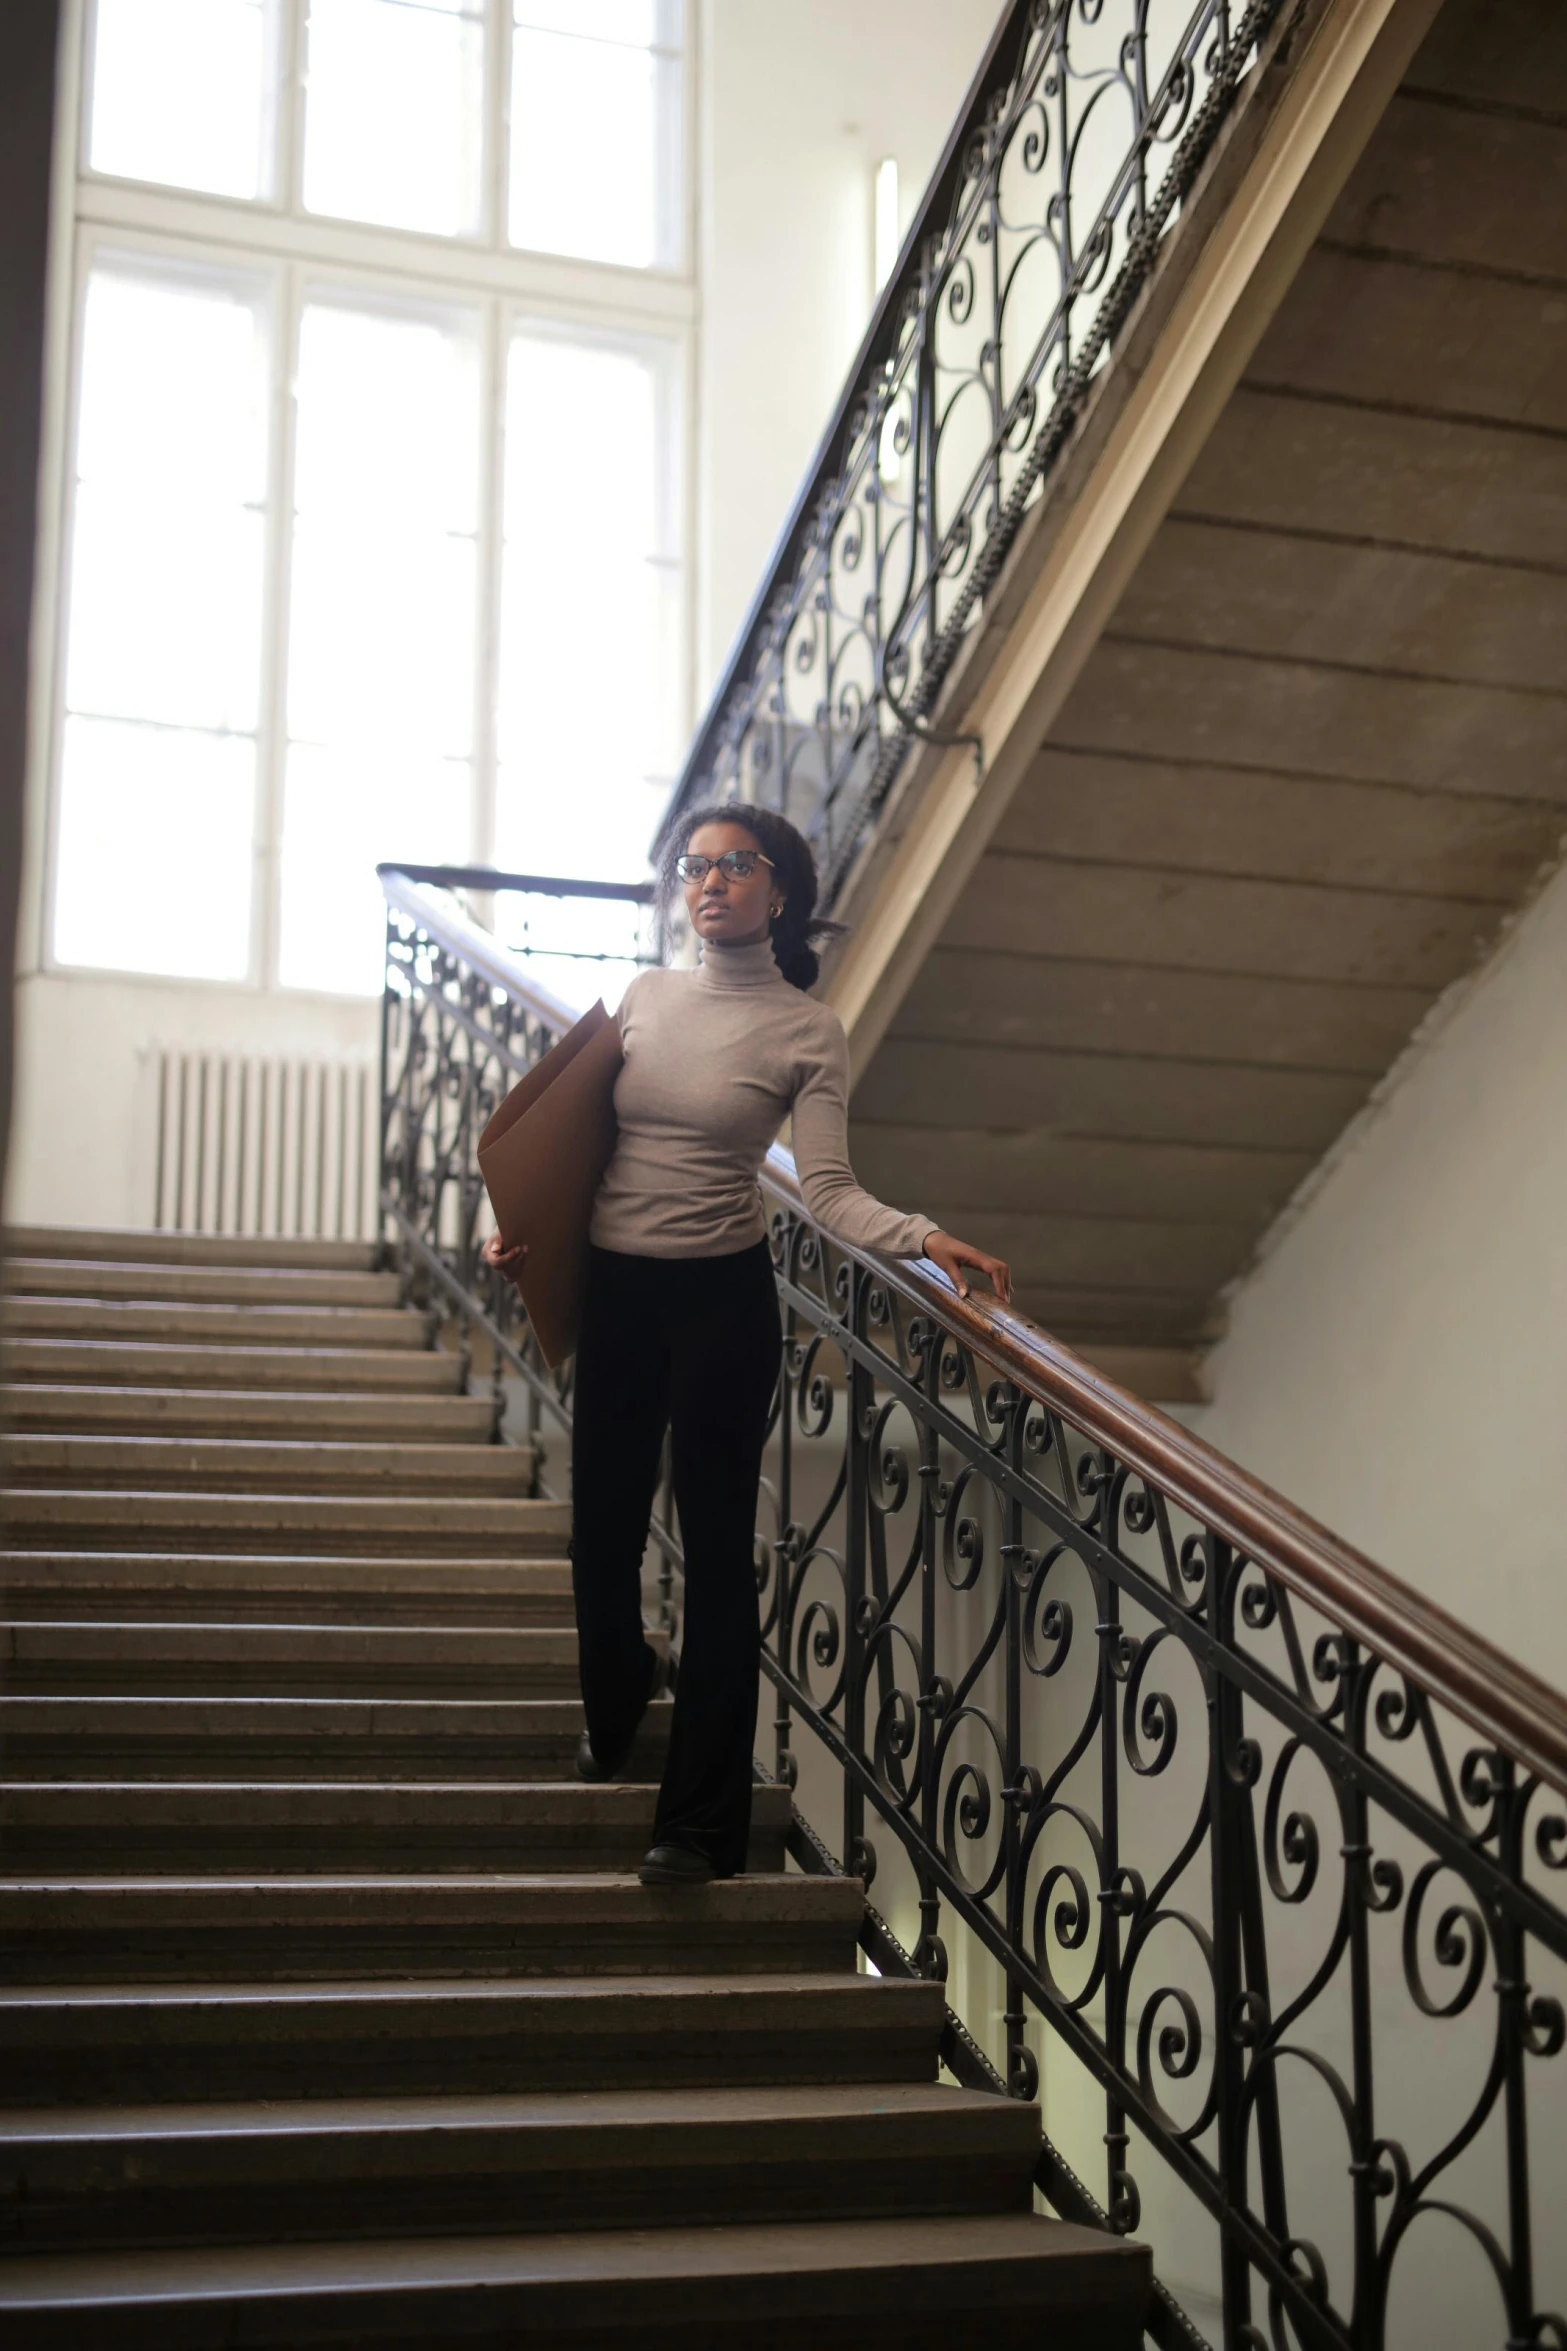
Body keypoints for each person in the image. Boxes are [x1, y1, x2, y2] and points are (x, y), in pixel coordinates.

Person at [485, 803, 1010, 1888]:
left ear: (782, 891)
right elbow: (563, 1143)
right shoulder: (642, 998)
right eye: (697, 866)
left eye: (736, 865)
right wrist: (514, 1233)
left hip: (721, 1304)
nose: (710, 881)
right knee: (600, 1542)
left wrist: (921, 1237)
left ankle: (699, 1827)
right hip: (621, 1296)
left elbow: (825, 1192)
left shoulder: (805, 1030)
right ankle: (621, 1685)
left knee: (719, 1561)